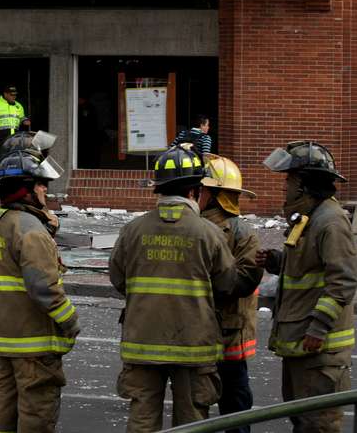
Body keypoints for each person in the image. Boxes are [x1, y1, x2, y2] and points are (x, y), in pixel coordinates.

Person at [109, 144, 250, 431]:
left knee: (142, 421)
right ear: (194, 191)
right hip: (193, 347)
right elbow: (226, 284)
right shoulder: (209, 233)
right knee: (192, 422)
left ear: (159, 190)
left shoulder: (132, 231)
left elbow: (118, 279)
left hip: (142, 342)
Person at [0, 150, 79, 433]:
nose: (45, 189)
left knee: (2, 411)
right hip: (34, 346)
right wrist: (71, 321)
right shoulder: (31, 230)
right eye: (40, 184)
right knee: (36, 414)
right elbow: (44, 288)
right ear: (26, 189)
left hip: (4, 341)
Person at [258, 141, 357, 432]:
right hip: (301, 346)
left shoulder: (331, 222)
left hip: (319, 351)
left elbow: (343, 280)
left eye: (288, 179)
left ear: (304, 183)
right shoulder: (310, 218)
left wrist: (319, 327)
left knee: (319, 425)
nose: (284, 186)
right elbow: (309, 268)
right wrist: (277, 261)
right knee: (302, 420)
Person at [199, 153, 263, 433]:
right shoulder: (241, 232)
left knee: (217, 401)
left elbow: (243, 282)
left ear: (213, 195)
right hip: (219, 332)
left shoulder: (235, 231)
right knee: (229, 404)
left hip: (217, 331)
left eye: (201, 189)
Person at [0, 84, 30, 178]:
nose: (14, 97)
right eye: (12, 95)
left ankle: (6, 182)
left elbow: (21, 117)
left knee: (11, 161)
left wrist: (25, 121)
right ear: (5, 94)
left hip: (13, 139)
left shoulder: (18, 106)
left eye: (15, 95)